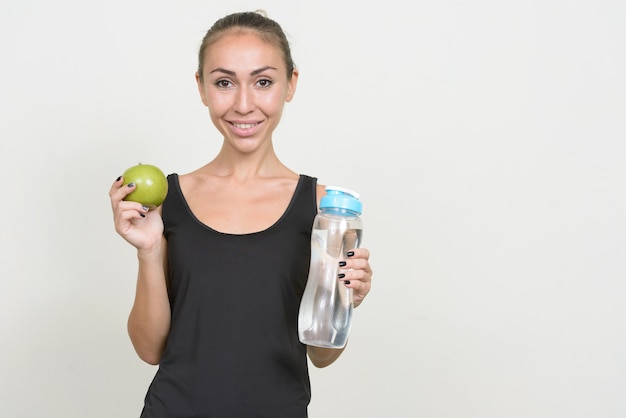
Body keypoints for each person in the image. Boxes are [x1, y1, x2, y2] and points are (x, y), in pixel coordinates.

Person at [109, 10, 373, 418]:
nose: (244, 104)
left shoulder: (325, 209)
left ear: (291, 84)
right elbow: (149, 349)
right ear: (202, 88)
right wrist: (147, 250)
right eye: (224, 82)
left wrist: (345, 300)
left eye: (263, 82)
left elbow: (321, 355)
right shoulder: (170, 200)